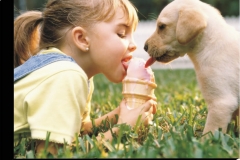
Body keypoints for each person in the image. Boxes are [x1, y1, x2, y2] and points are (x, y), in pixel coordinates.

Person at [14, 0, 157, 156]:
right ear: (82, 38)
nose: (133, 45)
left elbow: (79, 131)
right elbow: (51, 153)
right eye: (121, 34)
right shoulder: (65, 75)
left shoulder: (74, 73)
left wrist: (118, 115)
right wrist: (123, 128)